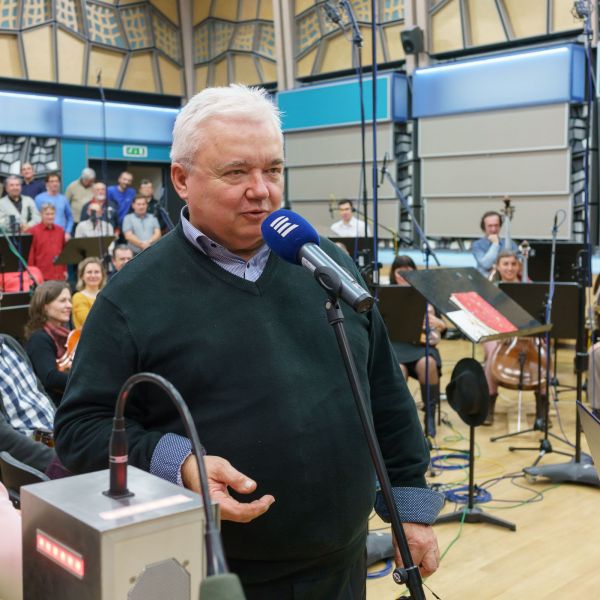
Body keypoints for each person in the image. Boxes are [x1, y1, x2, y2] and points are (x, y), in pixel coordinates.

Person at [54, 85, 443, 599]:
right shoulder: (132, 298)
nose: (261, 190)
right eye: (236, 172)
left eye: (273, 170)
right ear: (181, 180)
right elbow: (80, 428)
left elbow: (385, 395)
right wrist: (181, 463)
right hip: (219, 573)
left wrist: (409, 507)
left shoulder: (327, 265)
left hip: (343, 561)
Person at [482, 250, 545, 425]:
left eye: (513, 264)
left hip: (526, 333)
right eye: (505, 264)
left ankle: (542, 409)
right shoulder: (491, 288)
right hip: (497, 333)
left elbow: (538, 315)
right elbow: (486, 317)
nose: (510, 268)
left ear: (519, 266)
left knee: (543, 358)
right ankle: (489, 403)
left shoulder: (528, 286)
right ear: (498, 266)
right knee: (493, 354)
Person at [390, 256, 446, 437]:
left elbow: (441, 329)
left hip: (421, 346)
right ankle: (399, 419)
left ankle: (429, 416)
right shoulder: (385, 293)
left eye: (409, 271)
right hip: (395, 347)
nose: (404, 275)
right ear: (393, 273)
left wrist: (441, 324)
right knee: (398, 370)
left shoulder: (426, 293)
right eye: (400, 271)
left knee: (428, 364)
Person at [25, 281, 72, 406]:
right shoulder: (39, 339)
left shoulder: (66, 335)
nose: (69, 305)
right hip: (55, 405)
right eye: (62, 301)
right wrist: (85, 380)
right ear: (44, 306)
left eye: (69, 300)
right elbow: (50, 378)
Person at [471, 211, 518, 277]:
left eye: (496, 225)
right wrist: (495, 244)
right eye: (490, 226)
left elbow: (516, 265)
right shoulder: (477, 245)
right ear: (484, 227)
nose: (493, 229)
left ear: (500, 226)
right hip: (485, 281)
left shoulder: (511, 244)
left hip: (506, 281)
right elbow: (486, 264)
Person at [27, 203, 67, 281]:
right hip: (41, 275)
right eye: (47, 214)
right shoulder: (33, 231)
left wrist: (65, 270)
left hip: (59, 275)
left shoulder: (60, 230)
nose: (50, 217)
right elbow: (30, 255)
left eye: (52, 214)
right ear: (41, 214)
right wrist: (32, 273)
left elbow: (64, 252)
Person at [34, 173, 73, 239]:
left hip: (61, 234)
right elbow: (36, 217)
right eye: (52, 181)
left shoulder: (64, 199)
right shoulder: (39, 198)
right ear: (47, 184)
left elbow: (70, 218)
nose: (55, 184)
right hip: (44, 234)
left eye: (56, 181)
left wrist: (67, 232)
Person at [71, 257, 106, 328]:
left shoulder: (107, 295)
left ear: (102, 275)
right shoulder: (78, 297)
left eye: (96, 272)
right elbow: (88, 322)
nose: (93, 275)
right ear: (82, 276)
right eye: (89, 272)